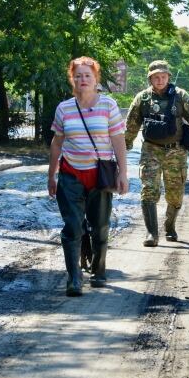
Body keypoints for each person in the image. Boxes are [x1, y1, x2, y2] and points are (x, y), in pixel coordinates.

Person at [48, 56, 129, 296]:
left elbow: (118, 140)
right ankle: (74, 278)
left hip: (100, 177)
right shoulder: (64, 108)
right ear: (72, 79)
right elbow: (56, 143)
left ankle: (98, 270)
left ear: (96, 80)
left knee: (100, 227)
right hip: (71, 175)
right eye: (78, 75)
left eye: (87, 75)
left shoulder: (108, 106)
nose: (82, 79)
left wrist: (123, 173)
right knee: (72, 227)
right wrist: (52, 174)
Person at [125, 60, 189, 245]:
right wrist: (124, 145)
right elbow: (131, 124)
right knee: (148, 190)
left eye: (163, 76)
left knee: (175, 193)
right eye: (156, 77)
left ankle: (169, 225)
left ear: (168, 77)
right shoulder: (143, 98)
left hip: (176, 151)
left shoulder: (180, 96)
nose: (160, 79)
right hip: (151, 150)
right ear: (150, 79)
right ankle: (151, 234)